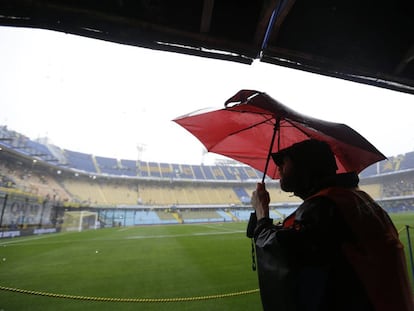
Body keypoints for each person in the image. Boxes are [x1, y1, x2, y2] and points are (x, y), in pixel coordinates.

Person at [249, 139, 414, 311]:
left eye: (284, 160)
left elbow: (283, 252)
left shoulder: (325, 207)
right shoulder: (355, 199)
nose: (279, 167)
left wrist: (262, 213)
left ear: (305, 168)